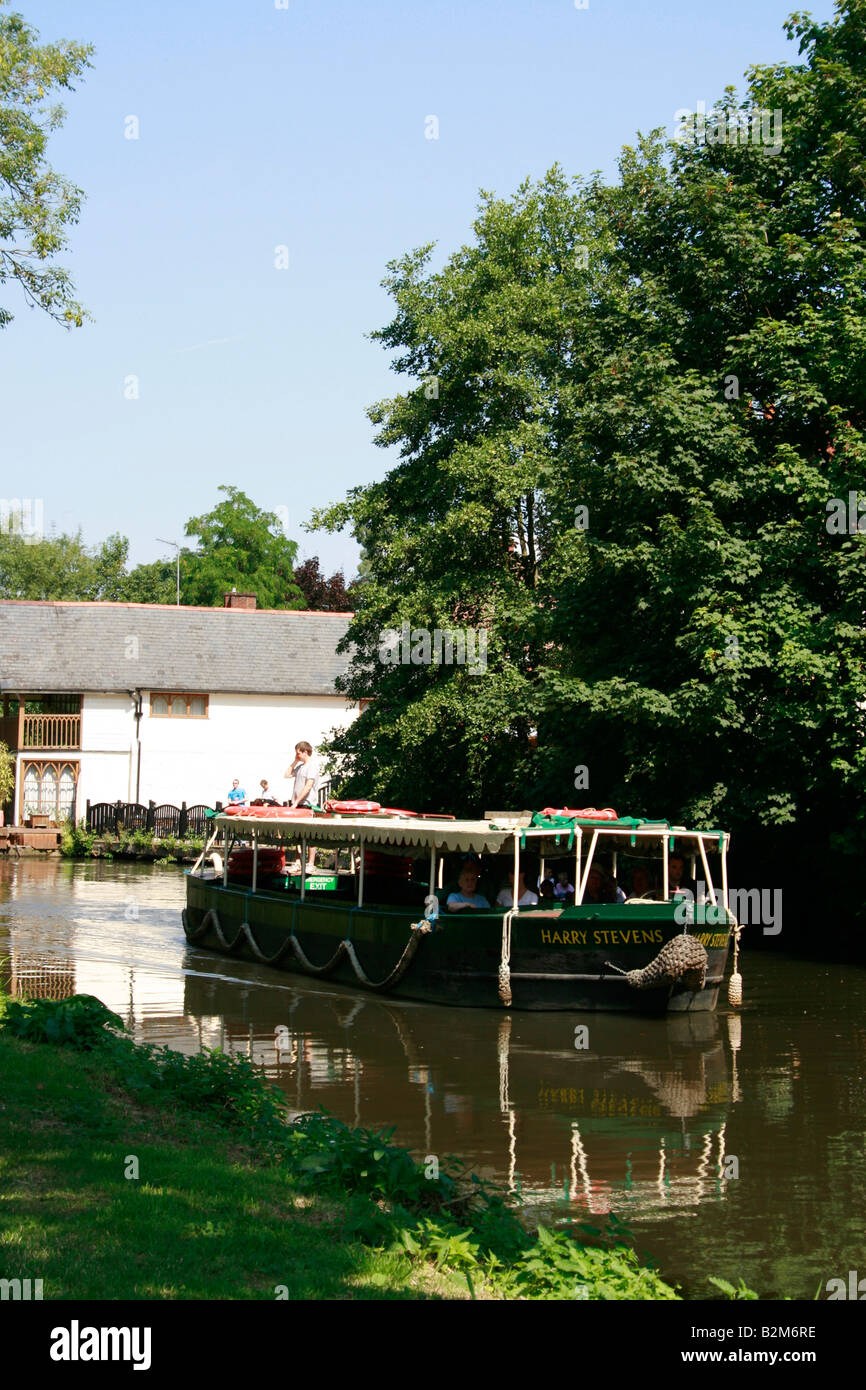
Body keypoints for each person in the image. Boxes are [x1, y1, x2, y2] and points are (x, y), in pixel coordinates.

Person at [285, 741, 320, 873]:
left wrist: (296, 802)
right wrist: (294, 761)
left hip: (307, 804)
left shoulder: (312, 767)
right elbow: (287, 774)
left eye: (298, 753)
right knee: (298, 835)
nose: (297, 755)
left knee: (310, 835)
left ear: (305, 752)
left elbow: (308, 786)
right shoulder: (300, 767)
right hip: (298, 805)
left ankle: (310, 863)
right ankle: (298, 862)